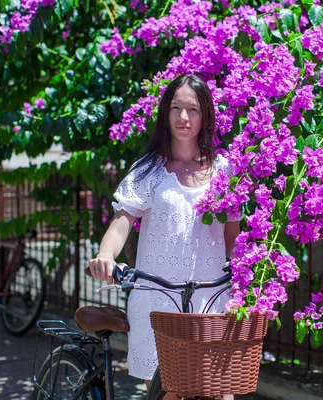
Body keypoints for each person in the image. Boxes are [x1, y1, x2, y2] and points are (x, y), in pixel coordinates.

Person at [88, 74, 240, 400]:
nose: (183, 118)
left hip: (210, 300)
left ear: (206, 115)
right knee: (170, 393)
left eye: (193, 109)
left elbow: (233, 236)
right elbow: (122, 220)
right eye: (176, 108)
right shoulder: (149, 171)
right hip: (159, 301)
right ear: (165, 113)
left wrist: (246, 274)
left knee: (222, 392)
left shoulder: (225, 171)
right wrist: (106, 255)